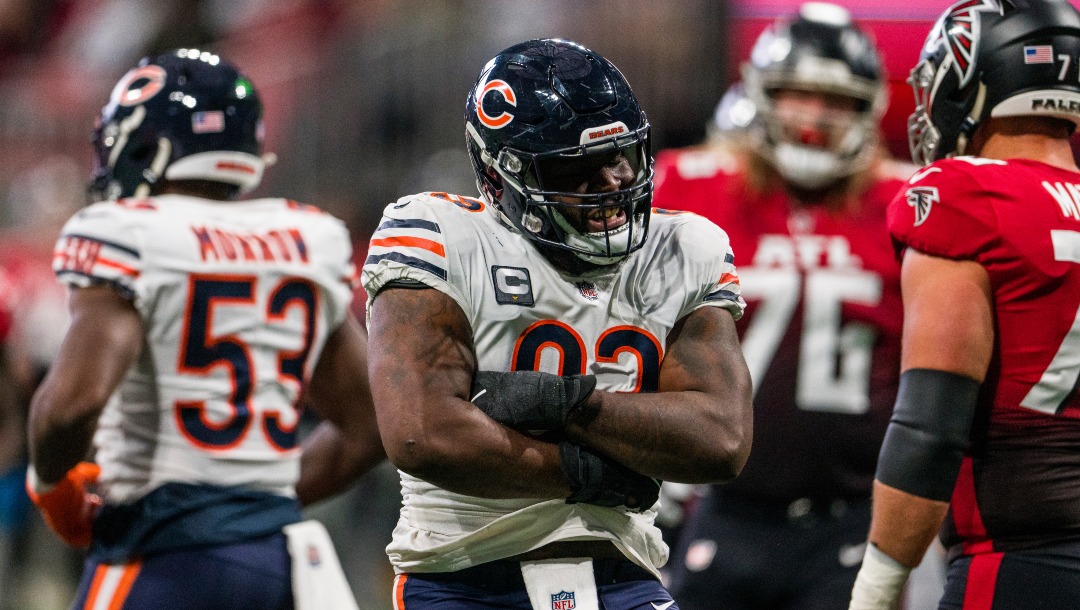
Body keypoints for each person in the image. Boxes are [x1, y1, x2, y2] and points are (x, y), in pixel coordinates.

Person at [361, 38, 753, 610]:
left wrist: (571, 404)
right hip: (464, 577)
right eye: (579, 167)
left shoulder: (683, 246)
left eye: (621, 156)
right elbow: (425, 434)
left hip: (624, 575)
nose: (615, 180)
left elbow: (721, 439)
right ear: (504, 177)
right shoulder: (440, 234)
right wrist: (593, 474)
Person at [26, 48, 385, 609]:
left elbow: (71, 405)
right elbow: (369, 426)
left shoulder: (125, 233)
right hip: (274, 558)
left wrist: (51, 486)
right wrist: (253, 504)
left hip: (159, 550)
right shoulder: (305, 240)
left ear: (147, 146)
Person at [651, 4, 933, 609]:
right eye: (796, 96)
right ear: (760, 96)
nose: (812, 118)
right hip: (724, 504)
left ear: (869, 108)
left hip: (853, 516)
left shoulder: (907, 203)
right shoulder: (692, 187)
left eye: (834, 100)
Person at [847, 0, 1080, 608]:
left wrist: (876, 590)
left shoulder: (965, 196)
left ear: (971, 80)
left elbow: (930, 428)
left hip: (1024, 562)